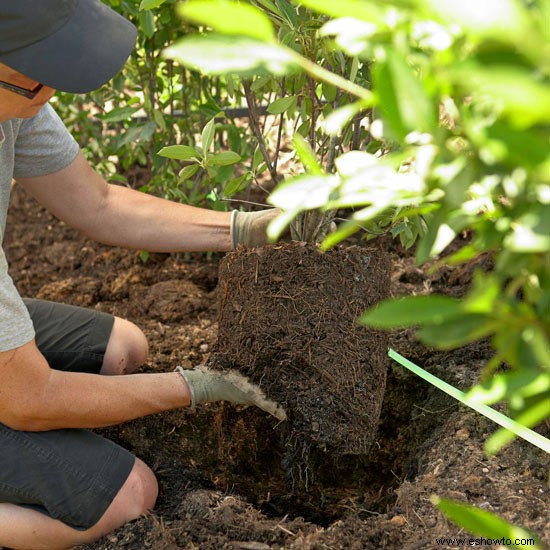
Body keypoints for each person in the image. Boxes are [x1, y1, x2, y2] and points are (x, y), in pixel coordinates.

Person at [0, 1, 285, 548]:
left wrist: (246, 228)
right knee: (129, 496)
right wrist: (194, 387)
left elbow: (100, 205)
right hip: (19, 389)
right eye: (39, 81)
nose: (51, 95)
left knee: (124, 347)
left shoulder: (18, 99)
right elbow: (28, 400)